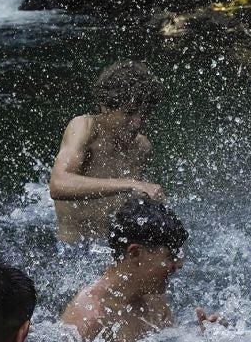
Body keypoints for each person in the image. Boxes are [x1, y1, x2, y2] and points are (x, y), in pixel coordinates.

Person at [62, 197, 219, 342]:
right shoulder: (89, 319)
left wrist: (206, 340)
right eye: (170, 256)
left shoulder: (155, 301)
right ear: (136, 253)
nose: (179, 264)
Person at [49, 60, 165, 245]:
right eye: (129, 113)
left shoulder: (142, 147)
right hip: (72, 251)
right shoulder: (84, 127)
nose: (137, 123)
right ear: (105, 106)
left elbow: (130, 205)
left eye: (144, 114)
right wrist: (131, 184)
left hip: (112, 249)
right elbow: (58, 184)